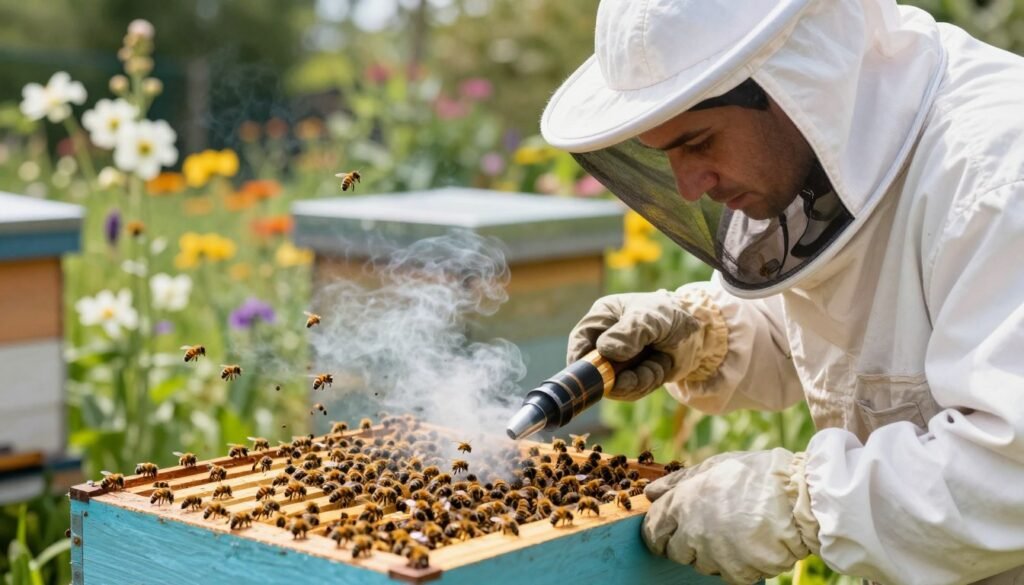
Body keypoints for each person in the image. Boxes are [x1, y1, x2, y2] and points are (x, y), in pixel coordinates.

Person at [541, 0, 1024, 583]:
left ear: (797, 81)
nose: (688, 188)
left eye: (697, 143)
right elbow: (851, 330)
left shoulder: (998, 177)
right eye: (662, 153)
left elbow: (1009, 472)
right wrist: (705, 332)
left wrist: (804, 505)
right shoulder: (847, 142)